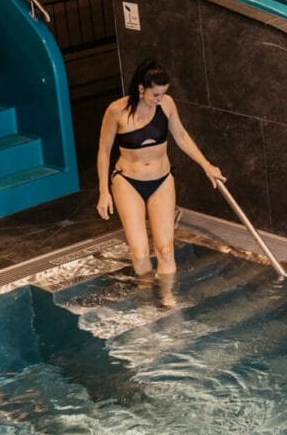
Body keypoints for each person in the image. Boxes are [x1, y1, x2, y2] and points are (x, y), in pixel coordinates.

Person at [96, 57, 225, 277]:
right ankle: (147, 300)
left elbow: (182, 137)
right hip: (128, 182)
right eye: (155, 94)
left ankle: (168, 301)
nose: (160, 98)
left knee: (165, 250)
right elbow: (104, 150)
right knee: (139, 253)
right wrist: (103, 192)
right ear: (141, 88)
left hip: (161, 180)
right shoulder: (116, 111)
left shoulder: (167, 104)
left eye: (163, 93)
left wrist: (206, 165)